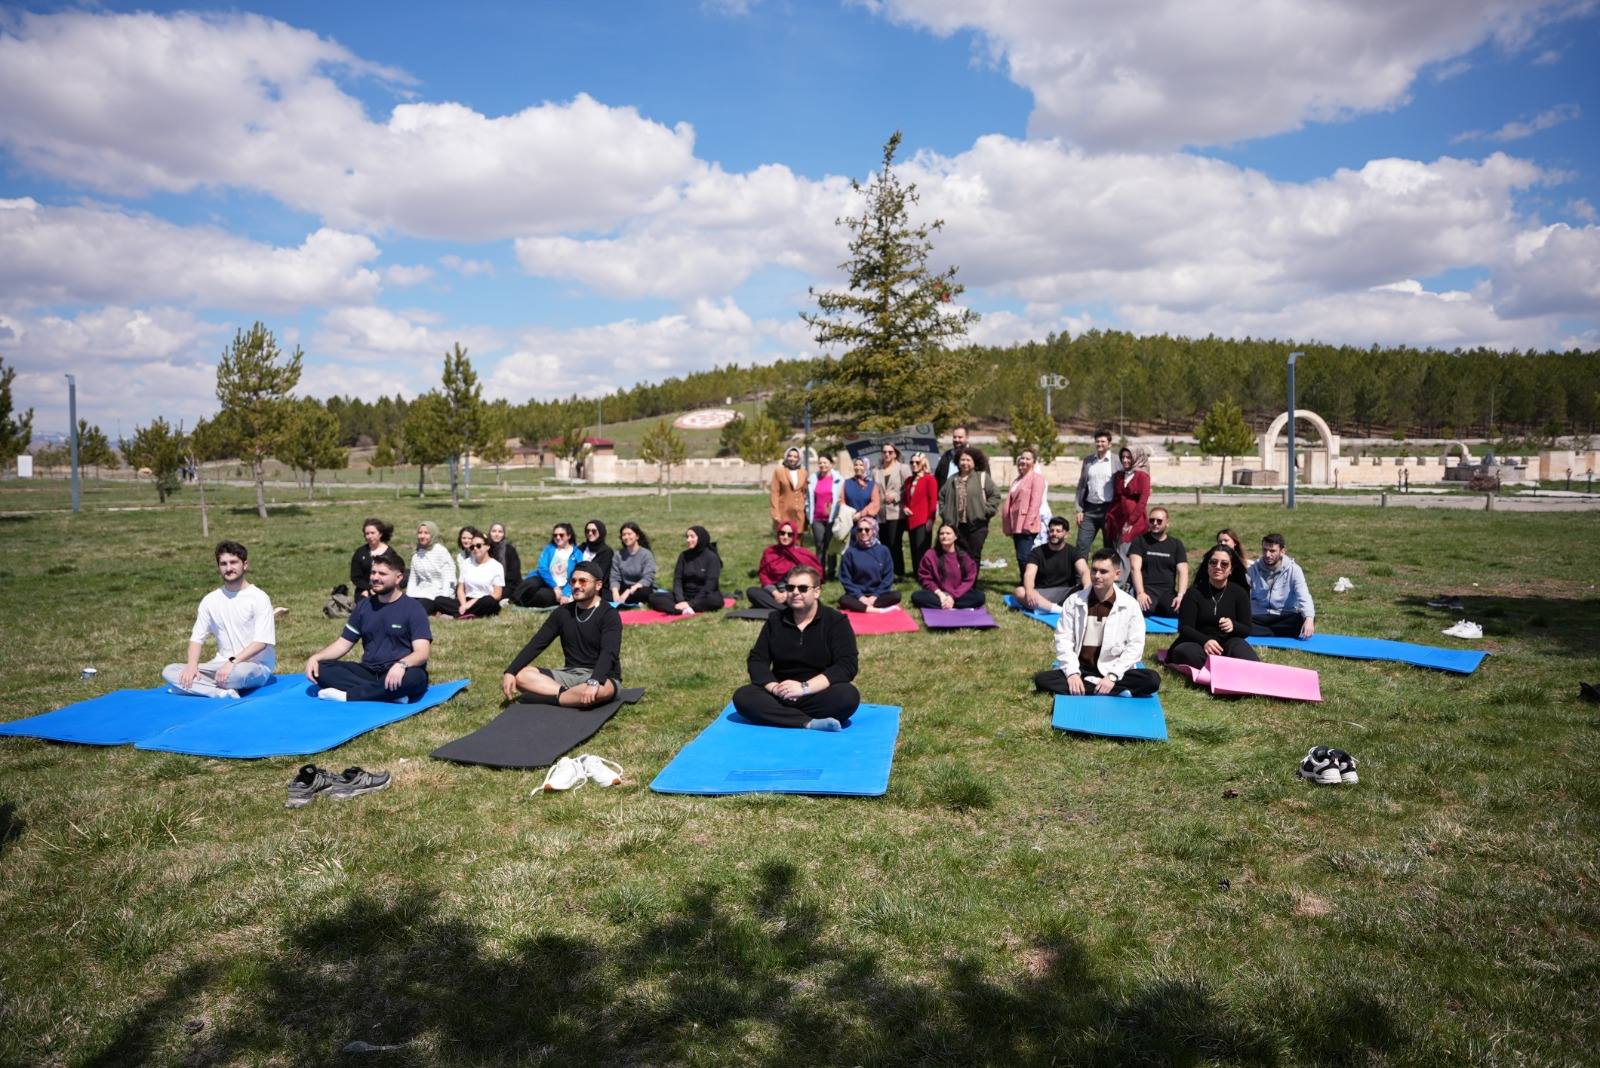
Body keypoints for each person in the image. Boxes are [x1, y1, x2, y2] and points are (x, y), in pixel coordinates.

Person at [731, 564, 861, 730]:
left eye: (803, 588)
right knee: (743, 697)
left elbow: (846, 665)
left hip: (817, 692)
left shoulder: (836, 621)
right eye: (790, 587)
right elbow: (757, 660)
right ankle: (808, 723)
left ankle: (781, 717)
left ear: (817, 591)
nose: (795, 592)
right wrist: (775, 688)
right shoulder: (775, 620)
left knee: (848, 696)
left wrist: (803, 688)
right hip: (780, 693)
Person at [305, 548, 431, 702]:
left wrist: (402, 664)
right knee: (322, 669)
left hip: (402, 670)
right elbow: (343, 644)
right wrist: (317, 657)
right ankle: (388, 693)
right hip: (369, 671)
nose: (375, 578)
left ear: (398, 578)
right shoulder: (363, 606)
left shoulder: (413, 608)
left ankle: (348, 695)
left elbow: (422, 653)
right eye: (373, 573)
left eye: (382, 574)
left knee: (415, 678)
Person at [1033, 549, 1161, 697]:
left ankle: (1094, 686)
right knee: (1042, 680)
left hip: (1113, 669)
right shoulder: (1074, 601)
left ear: (1117, 575)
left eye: (1103, 571)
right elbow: (1064, 639)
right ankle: (1113, 690)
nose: (1097, 576)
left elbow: (1135, 646)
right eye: (1094, 570)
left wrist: (1112, 676)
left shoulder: (1130, 605)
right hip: (1081, 669)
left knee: (1152, 680)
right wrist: (1072, 674)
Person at [162, 540, 276, 698]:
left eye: (233, 562)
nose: (228, 568)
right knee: (170, 671)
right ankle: (219, 692)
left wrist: (232, 662)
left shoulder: (259, 598)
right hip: (219, 665)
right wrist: (192, 666)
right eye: (223, 564)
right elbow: (197, 638)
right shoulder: (210, 600)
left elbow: (261, 642)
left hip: (254, 666)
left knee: (238, 675)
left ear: (245, 564)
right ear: (218, 567)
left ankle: (193, 687)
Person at [501, 562, 622, 708]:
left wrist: (594, 681)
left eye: (583, 581)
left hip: (603, 676)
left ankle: (554, 699)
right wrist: (510, 671)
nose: (576, 585)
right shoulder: (562, 612)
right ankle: (569, 696)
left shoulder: (609, 614)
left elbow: (609, 653)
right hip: (569, 675)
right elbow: (537, 644)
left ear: (598, 585)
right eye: (573, 581)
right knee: (521, 676)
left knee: (599, 692)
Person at [1166, 544, 1258, 669]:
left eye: (1224, 564)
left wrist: (1233, 625)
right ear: (1207, 566)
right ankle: (1222, 669)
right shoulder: (1194, 592)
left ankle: (1222, 668)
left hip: (1228, 642)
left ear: (1231, 569)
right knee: (1185, 652)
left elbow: (1247, 629)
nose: (1218, 567)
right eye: (1213, 562)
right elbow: (1185, 628)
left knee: (1247, 657)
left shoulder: (1239, 593)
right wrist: (1205, 641)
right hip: (1197, 642)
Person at [938, 447, 1002, 562]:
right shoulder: (952, 479)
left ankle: (970, 580)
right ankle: (959, 578)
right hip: (956, 526)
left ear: (974, 462)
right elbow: (941, 496)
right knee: (957, 555)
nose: (965, 463)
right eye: (962, 460)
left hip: (977, 525)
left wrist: (985, 511)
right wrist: (944, 513)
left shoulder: (982, 477)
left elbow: (995, 495)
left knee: (973, 555)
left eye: (968, 460)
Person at [1247, 533, 1316, 638]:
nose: (1267, 554)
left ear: (1282, 551)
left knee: (1304, 618)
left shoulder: (1294, 570)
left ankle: (1264, 632)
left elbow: (1304, 596)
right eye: (1264, 550)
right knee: (1240, 620)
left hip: (1283, 616)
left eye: (1272, 551)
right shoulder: (1253, 569)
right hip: (1258, 616)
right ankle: (1274, 632)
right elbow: (1241, 592)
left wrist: (1309, 618)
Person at [1014, 515, 1089, 611]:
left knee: (1092, 586)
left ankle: (1045, 607)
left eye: (1058, 531)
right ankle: (1056, 609)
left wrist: (1087, 590)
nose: (1054, 534)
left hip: (1067, 592)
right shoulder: (1037, 552)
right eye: (1052, 530)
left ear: (1066, 534)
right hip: (1042, 593)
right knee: (1019, 591)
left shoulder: (1073, 552)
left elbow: (1084, 571)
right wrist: (1029, 591)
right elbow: (1029, 574)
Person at [647, 526, 725, 614]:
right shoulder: (683, 556)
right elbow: (677, 580)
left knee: (715, 601)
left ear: (701, 538)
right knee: (653, 597)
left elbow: (710, 585)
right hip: (685, 595)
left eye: (692, 537)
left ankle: (688, 607)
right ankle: (679, 610)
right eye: (687, 537)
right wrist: (680, 600)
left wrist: (691, 603)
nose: (688, 540)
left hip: (704, 596)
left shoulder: (711, 557)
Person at [747, 522, 823, 611]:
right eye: (782, 533)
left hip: (796, 593)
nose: (785, 537)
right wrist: (775, 593)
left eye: (789, 534)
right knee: (752, 592)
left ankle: (776, 608)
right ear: (778, 534)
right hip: (775, 594)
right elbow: (765, 577)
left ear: (794, 536)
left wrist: (787, 594)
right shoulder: (770, 552)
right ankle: (784, 610)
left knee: (809, 599)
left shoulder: (803, 554)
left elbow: (814, 579)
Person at [1129, 506, 1189, 617]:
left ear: (1167, 523)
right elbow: (1134, 568)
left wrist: (1180, 596)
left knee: (1178, 611)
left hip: (1167, 592)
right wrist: (1140, 593)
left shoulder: (1176, 544)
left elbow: (1183, 571)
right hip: (1146, 589)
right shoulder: (1139, 541)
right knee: (1140, 612)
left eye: (1159, 521)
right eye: (1151, 520)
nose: (1155, 523)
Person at [911, 522, 985, 610]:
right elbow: (925, 578)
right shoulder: (930, 554)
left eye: (948, 533)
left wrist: (953, 596)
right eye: (941, 534)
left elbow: (969, 579)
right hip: (938, 594)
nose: (944, 536)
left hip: (959, 594)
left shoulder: (964, 555)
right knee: (917, 596)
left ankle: (948, 603)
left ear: (955, 537)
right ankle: (948, 603)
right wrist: (940, 594)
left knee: (980, 597)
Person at [837, 515, 901, 613]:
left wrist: (875, 596)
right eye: (860, 530)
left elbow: (888, 577)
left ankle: (863, 607)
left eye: (867, 530)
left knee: (897, 595)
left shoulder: (883, 551)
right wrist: (860, 597)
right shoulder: (850, 552)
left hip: (878, 595)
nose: (863, 532)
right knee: (844, 600)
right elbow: (845, 578)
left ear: (874, 530)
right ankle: (876, 610)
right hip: (857, 596)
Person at [1105, 445, 1151, 580]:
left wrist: (1131, 521)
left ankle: (1121, 584)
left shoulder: (1142, 476)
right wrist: (1109, 516)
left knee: (1125, 551)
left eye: (1128, 457)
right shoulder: (1119, 475)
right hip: (1117, 519)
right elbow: (1115, 498)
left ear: (1135, 458)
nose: (1125, 460)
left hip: (1134, 521)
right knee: (1117, 551)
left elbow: (1143, 501)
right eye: (1123, 457)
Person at [1002, 447, 1046, 582]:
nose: (1024, 461)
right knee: (1021, 556)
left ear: (1034, 462)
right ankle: (1025, 582)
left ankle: (1032, 583)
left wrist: (1028, 523)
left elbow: (1035, 502)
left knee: (1024, 557)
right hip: (1016, 524)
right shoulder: (1017, 480)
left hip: (1027, 525)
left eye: (1028, 458)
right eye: (1022, 458)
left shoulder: (1036, 478)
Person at [1074, 429, 1117, 556]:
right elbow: (1081, 485)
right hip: (1089, 510)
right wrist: (1079, 509)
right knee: (1081, 546)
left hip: (1109, 510)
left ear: (1109, 444)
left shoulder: (1117, 461)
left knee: (1110, 548)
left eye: (1103, 441)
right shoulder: (1088, 461)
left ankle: (1109, 574)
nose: (1099, 444)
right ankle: (1080, 576)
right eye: (1097, 441)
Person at [516, 523, 579, 608]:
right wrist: (554, 586)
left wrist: (566, 593)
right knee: (530, 583)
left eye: (561, 535)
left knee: (543, 596)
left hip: (562, 586)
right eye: (555, 535)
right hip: (545, 580)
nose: (558, 537)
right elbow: (542, 568)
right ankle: (512, 600)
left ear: (569, 536)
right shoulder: (549, 549)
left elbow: (576, 575)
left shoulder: (577, 553)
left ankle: (523, 602)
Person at [406, 520, 458, 615]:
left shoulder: (441, 552)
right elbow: (413, 580)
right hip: (420, 592)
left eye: (426, 533)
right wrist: (408, 597)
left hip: (437, 594)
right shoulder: (416, 554)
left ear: (433, 534)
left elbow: (448, 578)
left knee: (416, 610)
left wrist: (443, 600)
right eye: (420, 533)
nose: (422, 536)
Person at [447, 531, 504, 618]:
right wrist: (464, 604)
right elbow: (460, 589)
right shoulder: (466, 563)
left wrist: (470, 604)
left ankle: (461, 614)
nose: (475, 549)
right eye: (472, 546)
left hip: (483, 601)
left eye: (478, 546)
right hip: (466, 600)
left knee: (489, 601)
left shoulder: (496, 566)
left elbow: (497, 594)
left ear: (487, 546)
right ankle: (468, 614)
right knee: (439, 600)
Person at [806, 454, 844, 578]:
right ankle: (819, 572)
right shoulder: (813, 479)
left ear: (831, 464)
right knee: (819, 545)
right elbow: (809, 499)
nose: (822, 465)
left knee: (831, 546)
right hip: (817, 518)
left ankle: (831, 571)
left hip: (832, 518)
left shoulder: (838, 479)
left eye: (825, 462)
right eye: (820, 463)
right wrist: (808, 514)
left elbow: (841, 498)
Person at [877, 442, 911, 578]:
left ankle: (899, 572)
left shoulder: (903, 468)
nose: (887, 454)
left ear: (895, 453)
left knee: (894, 543)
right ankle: (887, 573)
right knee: (884, 545)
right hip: (881, 513)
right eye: (884, 452)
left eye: (890, 452)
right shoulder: (876, 470)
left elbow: (908, 488)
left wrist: (896, 496)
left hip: (896, 512)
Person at [903, 451, 939, 575]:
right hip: (911, 520)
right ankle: (916, 573)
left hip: (923, 520)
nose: (914, 464)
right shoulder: (908, 480)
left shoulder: (930, 479)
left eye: (917, 462)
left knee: (922, 549)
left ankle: (925, 574)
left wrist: (931, 519)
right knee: (913, 549)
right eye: (911, 462)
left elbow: (933, 501)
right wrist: (904, 507)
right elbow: (905, 499)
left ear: (923, 463)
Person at [608, 522, 657, 606]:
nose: (626, 537)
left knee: (644, 593)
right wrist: (615, 593)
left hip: (640, 588)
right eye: (624, 535)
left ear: (637, 536)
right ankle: (627, 601)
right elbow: (614, 577)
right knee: (605, 593)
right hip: (624, 587)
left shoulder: (646, 554)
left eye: (629, 534)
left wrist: (629, 591)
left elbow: (648, 577)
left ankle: (629, 601)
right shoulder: (618, 555)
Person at [350, 517, 394, 601]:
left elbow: (393, 576)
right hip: (364, 590)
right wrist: (368, 588)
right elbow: (355, 577)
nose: (369, 536)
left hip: (385, 590)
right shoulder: (360, 553)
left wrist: (380, 589)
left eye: (373, 533)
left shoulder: (390, 553)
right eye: (367, 533)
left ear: (380, 534)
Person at [769, 446, 808, 535]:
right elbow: (775, 493)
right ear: (786, 456)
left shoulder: (803, 472)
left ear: (799, 458)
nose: (792, 459)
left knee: (798, 541)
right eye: (790, 456)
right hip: (784, 512)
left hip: (799, 512)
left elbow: (804, 492)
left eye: (795, 457)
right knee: (785, 539)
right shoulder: (779, 472)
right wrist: (775, 513)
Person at [487, 522, 522, 603]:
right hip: (488, 583)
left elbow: (514, 573)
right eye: (494, 531)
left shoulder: (509, 549)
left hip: (507, 584)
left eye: (500, 532)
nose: (497, 534)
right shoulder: (485, 549)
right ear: (490, 533)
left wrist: (498, 583)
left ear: (503, 534)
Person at [577, 519, 614, 593]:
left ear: (601, 532)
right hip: (576, 584)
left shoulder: (606, 552)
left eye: (594, 531)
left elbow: (601, 575)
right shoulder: (581, 548)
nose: (590, 533)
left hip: (597, 589)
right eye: (587, 531)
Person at [842, 455, 882, 522]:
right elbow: (841, 501)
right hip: (851, 521)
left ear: (866, 466)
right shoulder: (846, 483)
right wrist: (849, 514)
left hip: (868, 524)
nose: (858, 467)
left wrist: (861, 514)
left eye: (861, 465)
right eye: (856, 465)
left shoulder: (872, 485)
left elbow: (875, 503)